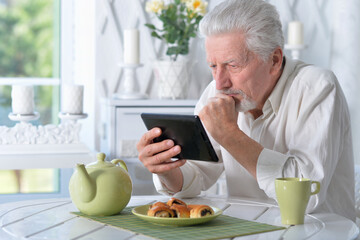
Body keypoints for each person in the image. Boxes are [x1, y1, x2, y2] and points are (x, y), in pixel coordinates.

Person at [136, 0, 355, 221]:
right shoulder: (217, 92)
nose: (220, 83)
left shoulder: (317, 87)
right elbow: (197, 175)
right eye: (213, 66)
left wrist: (230, 136)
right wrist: (166, 168)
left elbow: (307, 196)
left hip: (320, 230)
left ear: (275, 60)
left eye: (233, 65)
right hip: (244, 230)